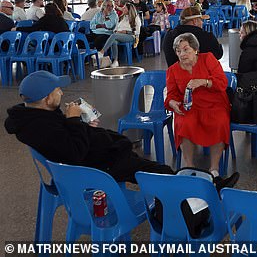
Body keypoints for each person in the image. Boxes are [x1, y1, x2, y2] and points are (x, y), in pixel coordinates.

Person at [4, 71, 174, 183]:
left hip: (105, 156)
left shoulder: (34, 117)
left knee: (151, 167)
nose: (62, 93)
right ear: (47, 98)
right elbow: (74, 153)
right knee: (163, 173)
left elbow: (64, 139)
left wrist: (79, 123)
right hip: (101, 168)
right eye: (58, 90)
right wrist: (73, 120)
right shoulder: (40, 129)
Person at [165, 33, 239, 188]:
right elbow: (171, 94)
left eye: (186, 49)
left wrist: (203, 82)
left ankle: (214, 170)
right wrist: (172, 103)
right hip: (190, 106)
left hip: (214, 103)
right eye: (178, 51)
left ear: (195, 49)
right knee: (184, 123)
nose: (182, 54)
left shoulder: (208, 59)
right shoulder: (173, 70)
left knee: (219, 121)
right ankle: (189, 168)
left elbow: (222, 83)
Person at [97, 2, 141, 68]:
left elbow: (137, 32)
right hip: (119, 35)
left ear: (129, 10)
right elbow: (116, 27)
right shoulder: (122, 17)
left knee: (114, 36)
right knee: (114, 41)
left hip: (131, 36)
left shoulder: (136, 18)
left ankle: (101, 52)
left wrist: (126, 32)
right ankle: (115, 61)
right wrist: (116, 30)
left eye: (124, 8)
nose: (122, 9)